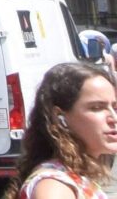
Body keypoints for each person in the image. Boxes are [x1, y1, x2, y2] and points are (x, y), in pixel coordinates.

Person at [11, 60, 117, 198]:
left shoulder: (73, 176)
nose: (113, 118)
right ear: (59, 117)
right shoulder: (55, 185)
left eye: (115, 107)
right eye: (97, 108)